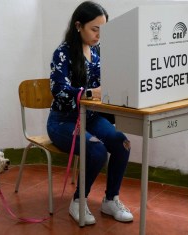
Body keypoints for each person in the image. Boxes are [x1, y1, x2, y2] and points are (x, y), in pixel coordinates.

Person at [47, 1, 133, 225]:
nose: (99, 35)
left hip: (91, 117)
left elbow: (107, 84)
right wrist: (89, 93)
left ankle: (110, 199)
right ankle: (78, 201)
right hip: (63, 122)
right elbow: (59, 91)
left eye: (103, 30)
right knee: (96, 150)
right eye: (95, 29)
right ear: (78, 25)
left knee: (121, 143)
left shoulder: (96, 53)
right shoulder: (62, 54)